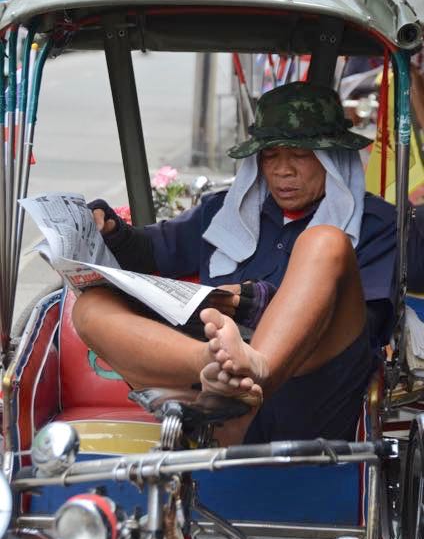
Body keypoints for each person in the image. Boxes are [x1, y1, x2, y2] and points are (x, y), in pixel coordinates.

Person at [73, 82, 399, 444]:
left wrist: (252, 302)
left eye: (301, 155)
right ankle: (219, 366)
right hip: (211, 386)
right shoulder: (225, 210)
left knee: (325, 242)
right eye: (271, 156)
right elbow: (152, 251)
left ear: (332, 158)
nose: (283, 171)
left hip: (311, 389)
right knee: (90, 306)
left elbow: (366, 327)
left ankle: (252, 364)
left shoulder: (376, 222)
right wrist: (110, 229)